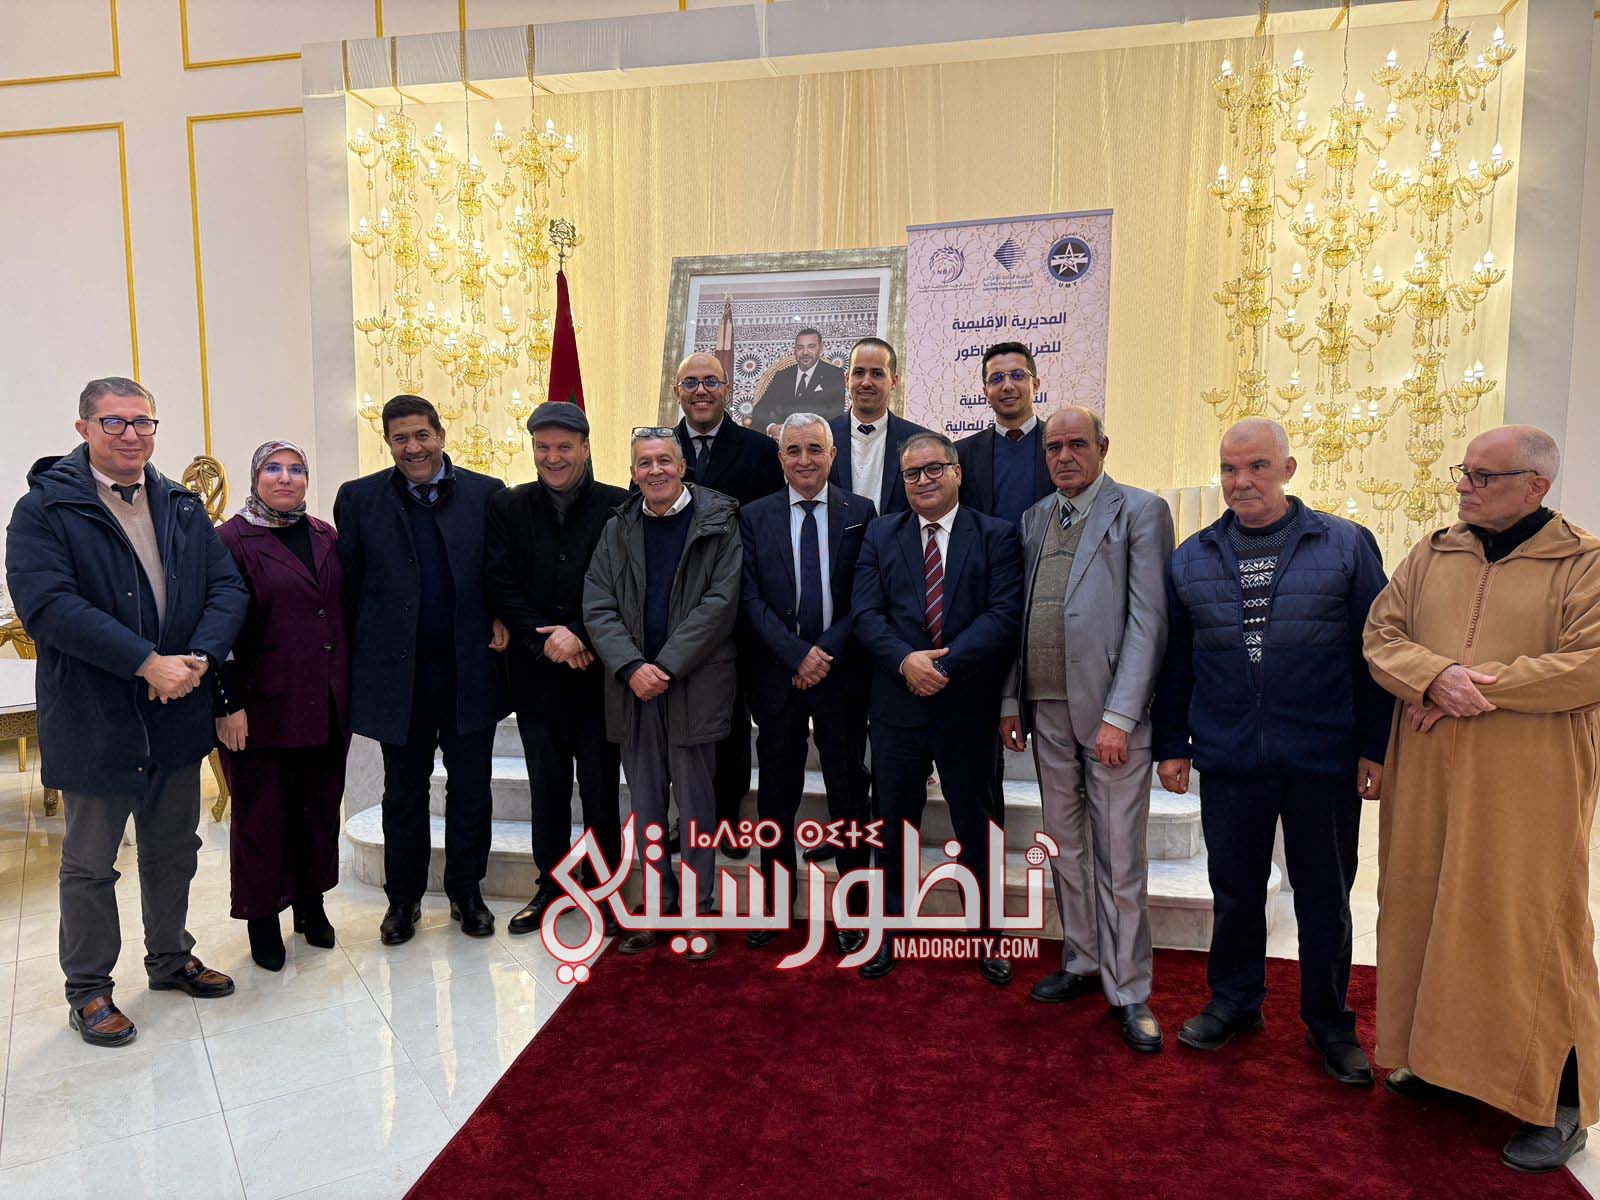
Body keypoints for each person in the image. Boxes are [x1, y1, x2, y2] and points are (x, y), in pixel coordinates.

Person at [1364, 425, 1600, 1173]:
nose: (1464, 486)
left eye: (1483, 476)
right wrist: (1434, 676)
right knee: (1427, 906)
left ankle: (1558, 1103)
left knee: (1531, 927)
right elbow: (1381, 635)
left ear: (1535, 486)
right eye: (1463, 472)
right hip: (1428, 771)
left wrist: (1472, 686)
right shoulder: (1432, 554)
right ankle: (1441, 1064)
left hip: (1527, 777)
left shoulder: (1585, 562)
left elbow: (1590, 662)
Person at [5, 376, 248, 1046]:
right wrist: (145, 661)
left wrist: (198, 658)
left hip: (177, 710)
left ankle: (170, 958)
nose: (131, 434)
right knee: (90, 864)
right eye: (114, 422)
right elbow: (49, 607)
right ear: (83, 429)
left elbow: (227, 587)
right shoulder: (45, 509)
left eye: (143, 422)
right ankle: (89, 989)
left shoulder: (181, 506)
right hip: (95, 716)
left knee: (173, 848)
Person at [1151, 418, 1387, 1085]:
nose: (1241, 481)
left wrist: (1376, 747)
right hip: (1230, 758)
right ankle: (1234, 1001)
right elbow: (1177, 662)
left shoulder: (1344, 545)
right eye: (1229, 468)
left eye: (1256, 466)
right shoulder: (1192, 557)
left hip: (1322, 758)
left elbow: (1375, 656)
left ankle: (1329, 1021)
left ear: (1287, 468)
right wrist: (1171, 744)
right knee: (1233, 890)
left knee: (1324, 896)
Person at [999, 407, 1172, 1053]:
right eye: (1054, 447)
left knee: (1119, 855)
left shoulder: (1140, 511)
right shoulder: (1034, 519)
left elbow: (1149, 620)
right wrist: (1010, 700)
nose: (1065, 456)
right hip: (1044, 707)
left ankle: (1129, 989)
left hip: (1109, 716)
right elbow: (1020, 616)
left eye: (1077, 444)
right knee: (1064, 844)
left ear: (1103, 447)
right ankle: (1082, 959)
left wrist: (1120, 716)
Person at [334, 395, 510, 946]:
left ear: (440, 434)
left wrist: (502, 616)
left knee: (471, 789)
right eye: (400, 438)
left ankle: (466, 892)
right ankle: (403, 900)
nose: (413, 447)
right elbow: (349, 588)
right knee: (403, 793)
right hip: (399, 678)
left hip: (468, 672)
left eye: (421, 435)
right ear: (388, 442)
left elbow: (501, 572)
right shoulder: (359, 498)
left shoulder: (487, 494)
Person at [851, 431, 1023, 983]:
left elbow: (1003, 614)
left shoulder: (995, 535)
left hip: (966, 706)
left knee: (979, 823)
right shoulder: (881, 533)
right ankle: (889, 930)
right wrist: (906, 661)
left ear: (956, 472)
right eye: (912, 473)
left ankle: (987, 933)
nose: (923, 480)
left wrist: (943, 667)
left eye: (933, 469)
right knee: (892, 824)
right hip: (897, 706)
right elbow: (866, 615)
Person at [583, 428, 743, 959]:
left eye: (664, 461)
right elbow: (597, 604)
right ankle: (656, 907)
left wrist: (665, 666)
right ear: (633, 473)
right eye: (645, 463)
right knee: (648, 807)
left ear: (682, 466)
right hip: (634, 691)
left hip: (694, 685)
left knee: (696, 808)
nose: (655, 471)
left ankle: (698, 911)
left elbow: (720, 605)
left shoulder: (719, 522)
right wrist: (633, 667)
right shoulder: (617, 528)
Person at [485, 402, 627, 937]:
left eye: (564, 446)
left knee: (599, 790)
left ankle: (604, 888)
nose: (553, 457)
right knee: (546, 788)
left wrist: (582, 634)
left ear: (585, 448)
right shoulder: (508, 505)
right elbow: (499, 583)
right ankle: (551, 885)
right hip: (536, 674)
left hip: (597, 675)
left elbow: (626, 586)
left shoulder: (619, 504)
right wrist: (546, 640)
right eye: (543, 447)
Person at [739, 413, 876, 954]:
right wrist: (797, 654)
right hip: (779, 675)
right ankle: (776, 906)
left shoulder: (860, 513)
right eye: (793, 450)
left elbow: (865, 596)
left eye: (814, 449)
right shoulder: (754, 516)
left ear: (832, 454)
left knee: (848, 791)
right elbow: (749, 598)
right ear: (780, 458)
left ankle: (854, 909)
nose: (804, 460)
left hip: (841, 675)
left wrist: (824, 652)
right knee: (776, 794)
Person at [214, 440, 349, 971]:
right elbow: (216, 629)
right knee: (262, 819)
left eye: (296, 469)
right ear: (255, 477)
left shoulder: (324, 535)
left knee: (318, 812)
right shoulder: (229, 540)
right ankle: (262, 918)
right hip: (260, 710)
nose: (285, 478)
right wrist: (227, 703)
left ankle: (311, 907)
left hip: (325, 704)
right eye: (273, 468)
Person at [672, 351, 785, 854]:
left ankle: (728, 817)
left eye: (710, 382)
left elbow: (770, 529)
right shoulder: (659, 449)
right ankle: (690, 816)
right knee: (681, 719)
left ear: (727, 389)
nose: (701, 391)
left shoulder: (760, 451)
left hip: (737, 608)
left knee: (731, 719)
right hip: (674, 612)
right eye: (691, 383)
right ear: (677, 391)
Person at [827, 337, 931, 516]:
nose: (866, 382)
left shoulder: (921, 441)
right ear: (847, 378)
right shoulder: (823, 438)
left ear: (894, 381)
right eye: (859, 372)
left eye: (877, 374)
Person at [953, 342, 1053, 527]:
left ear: (1036, 385)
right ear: (985, 392)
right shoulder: (961, 454)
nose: (1007, 386)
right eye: (996, 378)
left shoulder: (1061, 445)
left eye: (1018, 375)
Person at [751, 327, 848, 431]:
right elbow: (759, 410)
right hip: (783, 438)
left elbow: (835, 415)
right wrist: (771, 427)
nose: (805, 352)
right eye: (800, 347)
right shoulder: (782, 376)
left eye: (811, 346)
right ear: (795, 350)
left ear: (820, 348)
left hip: (816, 437)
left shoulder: (834, 374)